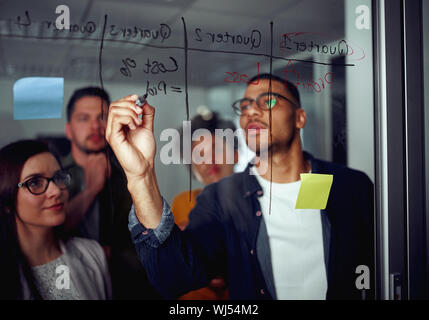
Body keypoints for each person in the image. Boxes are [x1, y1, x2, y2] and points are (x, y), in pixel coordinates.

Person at [105, 73, 374, 300]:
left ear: (299, 118)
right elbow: (173, 277)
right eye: (244, 106)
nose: (251, 111)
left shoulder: (348, 186)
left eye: (267, 101)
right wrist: (141, 175)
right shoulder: (221, 199)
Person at [63, 86, 160, 299]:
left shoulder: (130, 170)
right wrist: (92, 188)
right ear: (69, 129)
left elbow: (149, 240)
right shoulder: (53, 176)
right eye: (83, 118)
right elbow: (46, 236)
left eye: (102, 117)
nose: (95, 126)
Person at [0, 140, 111, 300]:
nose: (56, 191)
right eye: (35, 182)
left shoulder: (92, 254)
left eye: (58, 177)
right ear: (6, 199)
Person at [171, 110, 238, 300]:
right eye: (199, 155)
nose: (209, 160)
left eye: (216, 150)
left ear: (235, 154)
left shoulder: (254, 199)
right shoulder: (184, 202)